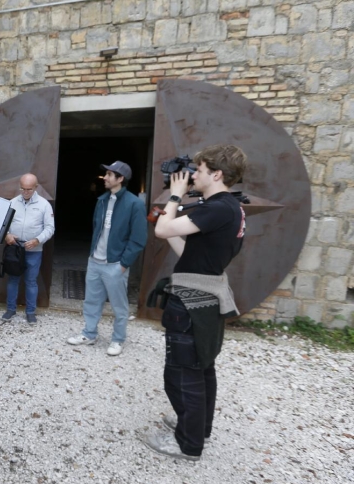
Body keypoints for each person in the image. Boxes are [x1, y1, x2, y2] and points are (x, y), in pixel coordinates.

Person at [143, 145, 247, 461]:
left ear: (216, 174)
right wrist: (167, 220)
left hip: (191, 301)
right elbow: (186, 248)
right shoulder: (230, 207)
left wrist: (175, 196)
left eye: (199, 170)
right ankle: (197, 428)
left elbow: (162, 231)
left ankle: (188, 444)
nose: (193, 176)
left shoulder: (217, 208)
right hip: (207, 294)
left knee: (182, 373)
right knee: (201, 367)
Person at [67, 161, 147, 356]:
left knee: (119, 306)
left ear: (120, 179)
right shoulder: (102, 200)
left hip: (115, 264)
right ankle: (89, 333)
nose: (106, 178)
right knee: (91, 301)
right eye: (107, 174)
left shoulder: (134, 204)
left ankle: (118, 339)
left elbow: (138, 239)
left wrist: (123, 264)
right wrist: (93, 254)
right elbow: (97, 230)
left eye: (110, 175)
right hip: (95, 261)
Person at [0, 173, 55, 324]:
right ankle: (10, 309)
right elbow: (1, 225)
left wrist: (38, 240)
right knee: (13, 279)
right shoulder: (12, 203)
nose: (25, 192)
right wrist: (7, 236)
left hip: (34, 250)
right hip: (15, 249)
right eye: (22, 188)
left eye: (29, 189)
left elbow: (50, 228)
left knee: (31, 281)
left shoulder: (44, 205)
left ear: (36, 188)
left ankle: (30, 312)